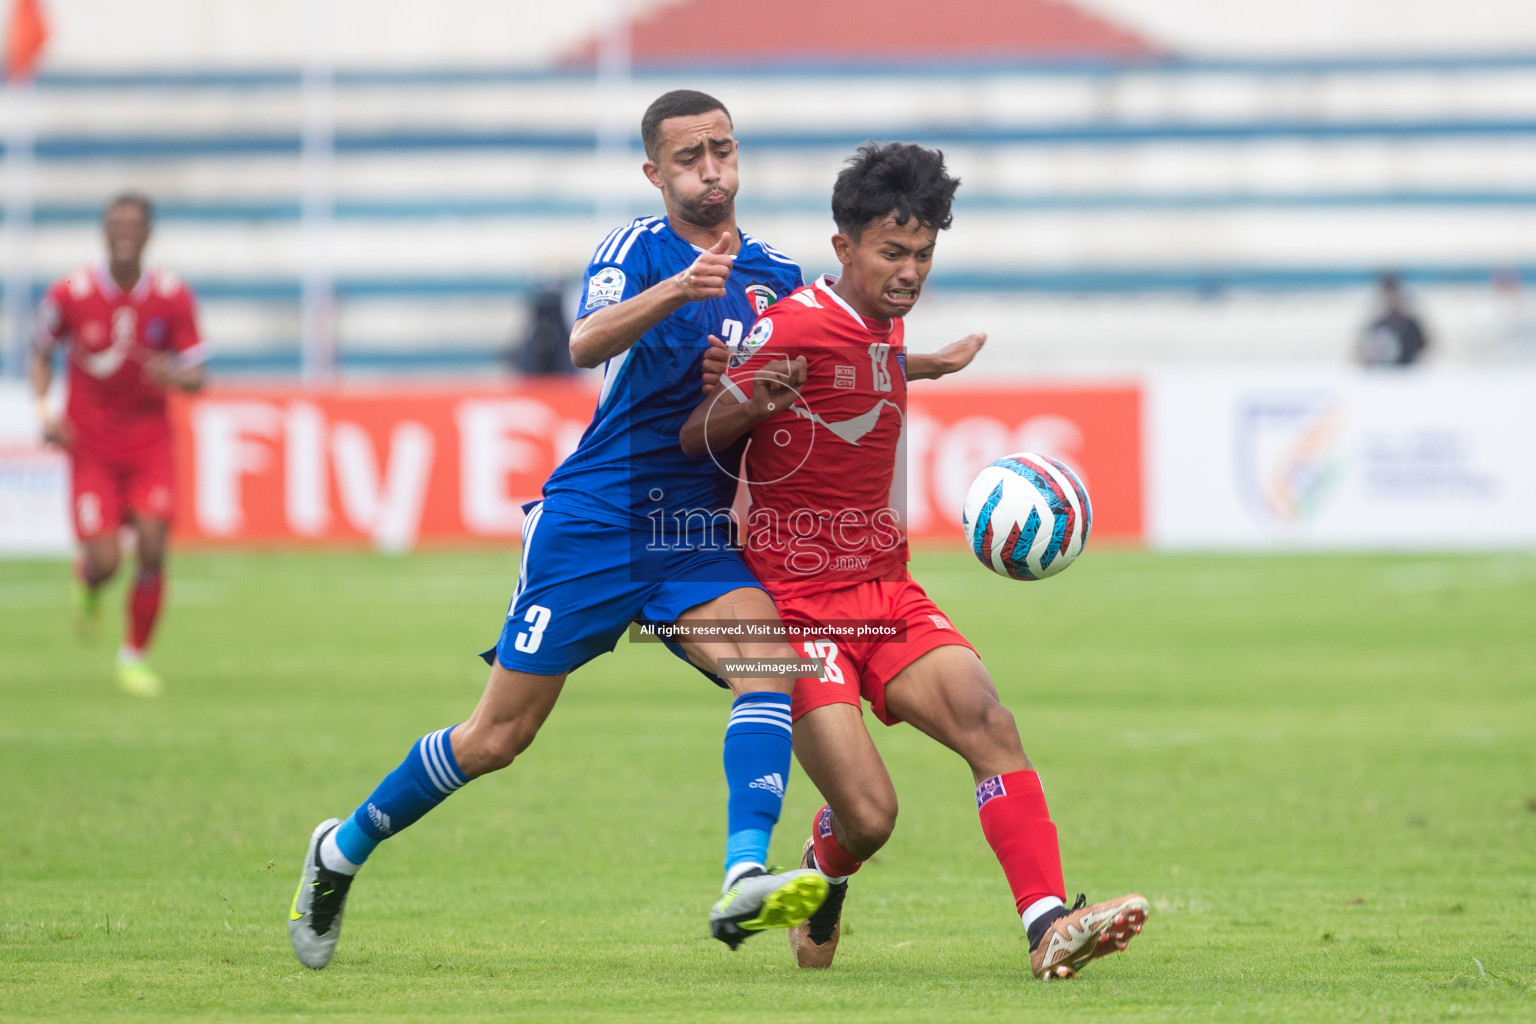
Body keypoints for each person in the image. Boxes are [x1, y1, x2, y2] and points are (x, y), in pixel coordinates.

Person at [287, 90, 829, 970]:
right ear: (655, 173)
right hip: (594, 522)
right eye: (690, 157)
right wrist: (675, 292)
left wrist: (768, 389)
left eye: (723, 151)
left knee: (771, 667)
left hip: (691, 529)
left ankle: (743, 874)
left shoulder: (779, 273)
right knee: (498, 737)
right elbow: (583, 345)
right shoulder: (637, 251)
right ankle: (340, 850)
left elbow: (784, 390)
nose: (712, 170)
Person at [681, 142, 1149, 980]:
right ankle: (818, 874)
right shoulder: (790, 323)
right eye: (892, 253)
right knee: (869, 819)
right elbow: (696, 435)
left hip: (886, 594)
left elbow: (866, 362)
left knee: (990, 723)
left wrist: (924, 363)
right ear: (844, 249)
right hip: (794, 612)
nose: (909, 272)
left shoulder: (881, 325)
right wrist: (749, 398)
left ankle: (1047, 924)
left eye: (924, 254)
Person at [29, 192, 207, 698]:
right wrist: (44, 411)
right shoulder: (70, 292)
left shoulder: (172, 296)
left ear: (149, 234)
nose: (124, 233)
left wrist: (175, 373)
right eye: (115, 224)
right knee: (106, 561)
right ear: (103, 232)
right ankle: (87, 580)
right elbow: (40, 350)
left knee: (152, 546)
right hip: (91, 447)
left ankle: (134, 657)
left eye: (133, 224)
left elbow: (199, 375)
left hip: (150, 444)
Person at [1358, 273, 1429, 367]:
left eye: (1394, 295)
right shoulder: (1377, 324)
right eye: (1387, 295)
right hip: (1381, 376)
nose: (1390, 299)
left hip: (1407, 375)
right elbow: (1363, 353)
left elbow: (1424, 348)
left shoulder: (1411, 325)